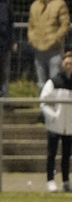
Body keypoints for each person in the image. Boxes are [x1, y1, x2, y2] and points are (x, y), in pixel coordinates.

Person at [27, 0, 70, 89]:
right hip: (39, 50)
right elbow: (31, 25)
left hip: (54, 50)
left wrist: (56, 39)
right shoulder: (35, 5)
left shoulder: (60, 4)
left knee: (55, 81)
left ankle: (56, 101)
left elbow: (65, 24)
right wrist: (32, 39)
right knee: (41, 83)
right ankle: (43, 100)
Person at [40, 51, 72, 192]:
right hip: (55, 125)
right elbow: (44, 102)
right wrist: (52, 116)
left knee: (67, 155)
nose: (69, 66)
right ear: (62, 64)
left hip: (69, 126)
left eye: (71, 64)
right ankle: (50, 180)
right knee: (51, 154)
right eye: (67, 63)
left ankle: (66, 181)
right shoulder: (53, 82)